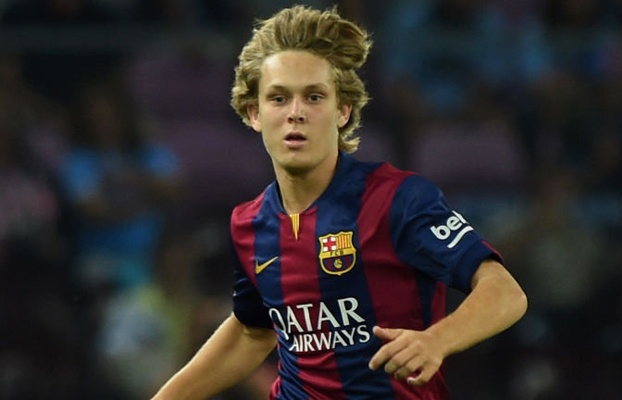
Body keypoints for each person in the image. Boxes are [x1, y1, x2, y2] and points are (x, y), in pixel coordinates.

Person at [151, 5, 527, 399]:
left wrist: (437, 340)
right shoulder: (249, 224)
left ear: (343, 111)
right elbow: (252, 331)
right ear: (254, 113)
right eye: (278, 98)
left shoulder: (397, 199)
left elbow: (504, 292)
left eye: (314, 97)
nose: (296, 113)